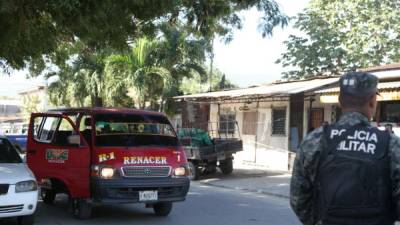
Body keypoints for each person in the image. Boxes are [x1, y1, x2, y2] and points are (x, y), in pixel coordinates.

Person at [290, 71, 400, 225]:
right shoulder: (391, 144)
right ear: (372, 101)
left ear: (340, 101)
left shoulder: (314, 140)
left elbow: (298, 199)